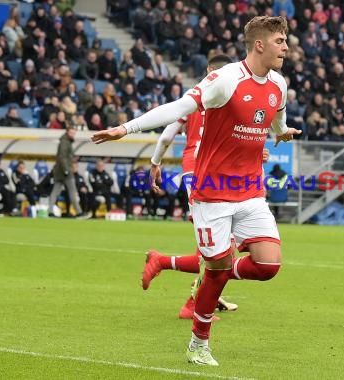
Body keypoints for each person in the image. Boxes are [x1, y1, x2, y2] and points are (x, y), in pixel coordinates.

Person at [92, 16, 301, 365]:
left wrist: (281, 132)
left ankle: (213, 273)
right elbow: (177, 109)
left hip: (249, 189)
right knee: (217, 268)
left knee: (268, 265)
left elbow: (276, 114)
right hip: (212, 191)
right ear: (259, 44)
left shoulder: (278, 82)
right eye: (280, 40)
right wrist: (126, 128)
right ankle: (198, 343)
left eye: (285, 40)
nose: (286, 47)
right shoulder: (225, 80)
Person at [144, 54, 240, 320]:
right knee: (223, 246)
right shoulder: (230, 96)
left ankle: (200, 290)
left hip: (198, 173)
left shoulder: (193, 97)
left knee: (222, 244)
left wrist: (155, 162)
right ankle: (194, 301)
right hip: (208, 173)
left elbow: (166, 134)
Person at [48, 127, 90, 219]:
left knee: (55, 191)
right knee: (72, 191)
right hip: (64, 171)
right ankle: (79, 212)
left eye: (74, 133)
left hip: (60, 171)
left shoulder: (65, 141)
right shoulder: (65, 142)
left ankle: (50, 211)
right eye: (71, 132)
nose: (73, 134)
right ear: (67, 132)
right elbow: (62, 157)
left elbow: (63, 157)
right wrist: (66, 170)